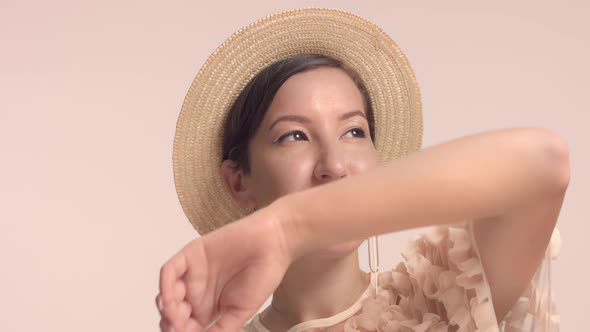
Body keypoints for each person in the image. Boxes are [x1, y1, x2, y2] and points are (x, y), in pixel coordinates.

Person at [156, 8, 568, 332]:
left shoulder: (441, 304)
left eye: (354, 131)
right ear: (237, 181)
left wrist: (288, 227)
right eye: (294, 136)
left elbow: (544, 162)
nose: (334, 166)